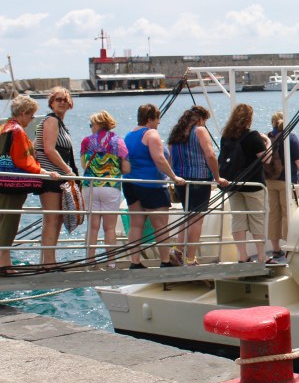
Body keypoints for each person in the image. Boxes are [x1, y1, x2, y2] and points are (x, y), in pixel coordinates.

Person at [0, 96, 60, 274]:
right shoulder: (17, 131)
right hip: (13, 185)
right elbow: (23, 160)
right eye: (31, 116)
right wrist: (46, 172)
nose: (31, 119)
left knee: (2, 220)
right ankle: (3, 266)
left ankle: (5, 263)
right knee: (9, 223)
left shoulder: (4, 128)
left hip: (1, 181)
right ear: (24, 113)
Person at [123, 104, 186, 268]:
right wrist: (174, 176)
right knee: (161, 225)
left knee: (136, 224)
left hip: (130, 183)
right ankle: (165, 261)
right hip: (151, 185)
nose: (158, 123)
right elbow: (159, 158)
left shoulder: (129, 135)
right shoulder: (151, 134)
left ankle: (135, 262)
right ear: (150, 119)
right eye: (157, 119)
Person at [168, 105, 228, 266]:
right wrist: (217, 177)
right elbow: (210, 154)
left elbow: (170, 156)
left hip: (181, 179)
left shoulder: (176, 133)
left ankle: (178, 250)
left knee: (187, 214)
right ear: (201, 119)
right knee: (197, 218)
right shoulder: (199, 131)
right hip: (199, 179)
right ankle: (190, 257)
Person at [218, 103, 271, 264]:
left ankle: (242, 255)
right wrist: (267, 142)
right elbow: (266, 159)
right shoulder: (253, 136)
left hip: (232, 184)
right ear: (249, 119)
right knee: (257, 220)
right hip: (253, 185)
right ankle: (262, 256)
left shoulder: (226, 136)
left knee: (238, 219)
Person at [34, 87, 79, 266]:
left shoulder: (59, 123)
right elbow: (49, 150)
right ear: (51, 102)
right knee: (52, 219)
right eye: (58, 99)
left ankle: (49, 261)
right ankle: (49, 263)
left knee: (57, 219)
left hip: (57, 177)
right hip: (51, 177)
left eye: (65, 99)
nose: (61, 102)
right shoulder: (51, 120)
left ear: (70, 104)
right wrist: (68, 171)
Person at [80, 110, 130, 268]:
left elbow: (83, 165)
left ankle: (90, 261)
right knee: (109, 228)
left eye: (91, 125)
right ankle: (111, 263)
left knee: (92, 227)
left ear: (97, 124)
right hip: (111, 187)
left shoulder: (86, 141)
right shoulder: (118, 142)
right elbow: (127, 168)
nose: (91, 127)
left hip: (90, 186)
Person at [265, 112, 299, 262]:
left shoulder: (267, 137)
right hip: (287, 181)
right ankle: (289, 247)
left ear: (272, 122)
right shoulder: (291, 137)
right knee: (288, 213)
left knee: (274, 213)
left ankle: (276, 248)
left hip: (270, 180)